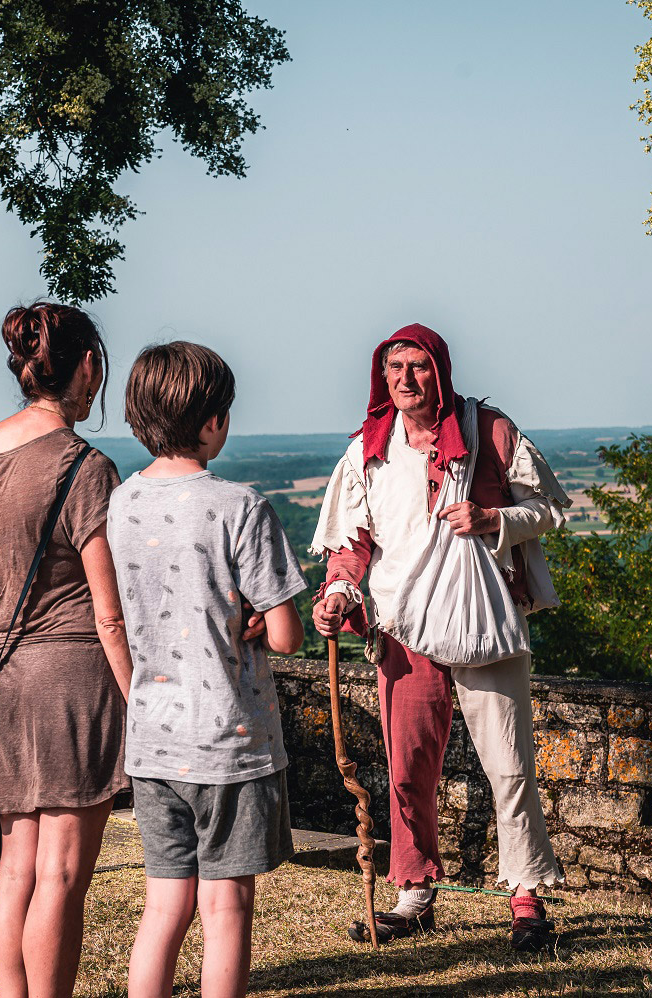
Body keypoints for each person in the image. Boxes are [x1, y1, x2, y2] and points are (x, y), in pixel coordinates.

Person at [310, 324, 571, 950]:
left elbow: (548, 508)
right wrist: (338, 592)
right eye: (395, 367)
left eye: (418, 365)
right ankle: (415, 894)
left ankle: (526, 897)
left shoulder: (490, 430)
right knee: (408, 768)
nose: (406, 378)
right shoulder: (368, 448)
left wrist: (492, 518)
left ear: (440, 370)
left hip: (483, 617)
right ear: (383, 376)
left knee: (509, 764)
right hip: (403, 625)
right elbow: (351, 542)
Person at [110, 341, 306, 998]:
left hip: (153, 739)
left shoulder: (122, 502)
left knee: (164, 906)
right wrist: (254, 615)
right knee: (226, 908)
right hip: (229, 740)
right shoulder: (240, 506)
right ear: (214, 420)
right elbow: (286, 636)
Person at [0, 301, 131, 998]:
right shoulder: (84, 466)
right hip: (75, 674)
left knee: (18, 868)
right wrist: (139, 700)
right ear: (87, 367)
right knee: (61, 872)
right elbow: (110, 614)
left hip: (6, 674)